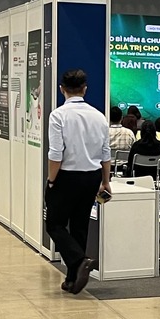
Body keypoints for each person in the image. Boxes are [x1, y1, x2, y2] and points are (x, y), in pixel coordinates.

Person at [44, 69, 111, 295]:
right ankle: (72, 279)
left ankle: (81, 260)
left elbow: (56, 153)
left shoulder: (58, 115)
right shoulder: (99, 116)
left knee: (54, 224)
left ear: (62, 89)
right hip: (92, 177)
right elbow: (105, 153)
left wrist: (51, 180)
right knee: (80, 226)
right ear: (85, 89)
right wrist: (106, 181)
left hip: (66, 176)